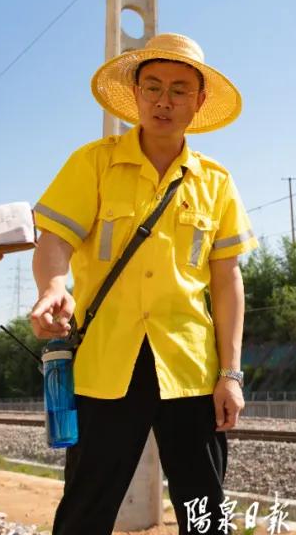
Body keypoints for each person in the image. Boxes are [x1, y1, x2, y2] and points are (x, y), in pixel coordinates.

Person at [30, 32, 257, 535]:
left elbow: (227, 281)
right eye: (152, 86)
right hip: (107, 365)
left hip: (191, 370)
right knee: (86, 508)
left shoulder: (216, 181)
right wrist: (52, 285)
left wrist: (232, 374)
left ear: (198, 103)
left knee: (205, 514)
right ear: (135, 94)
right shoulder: (93, 162)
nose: (164, 100)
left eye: (179, 90)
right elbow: (55, 240)